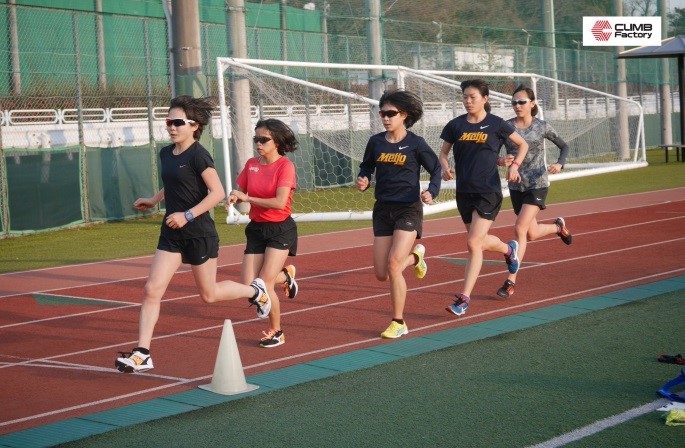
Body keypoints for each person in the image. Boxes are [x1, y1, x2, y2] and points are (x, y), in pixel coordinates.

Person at [115, 96, 272, 373]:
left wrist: (187, 215)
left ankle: (255, 291)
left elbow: (218, 193)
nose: (171, 127)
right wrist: (154, 200)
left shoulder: (199, 155)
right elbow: (174, 185)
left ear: (194, 126)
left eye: (177, 122)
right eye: (168, 122)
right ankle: (142, 353)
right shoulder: (166, 153)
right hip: (172, 232)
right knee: (152, 289)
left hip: (198, 232)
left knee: (208, 295)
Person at [439, 79, 528, 316]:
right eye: (465, 97)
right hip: (464, 192)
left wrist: (515, 166)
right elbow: (443, 153)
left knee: (472, 243)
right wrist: (445, 167)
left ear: (485, 99)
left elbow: (523, 145)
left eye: (473, 97)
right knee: (478, 240)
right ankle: (509, 250)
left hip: (488, 191)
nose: (468, 101)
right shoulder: (455, 125)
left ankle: (464, 298)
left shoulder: (497, 124)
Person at [356, 90, 441, 339]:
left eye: (390, 113)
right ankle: (415, 257)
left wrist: (432, 191)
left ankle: (398, 321)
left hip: (408, 208)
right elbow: (366, 166)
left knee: (394, 266)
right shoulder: (376, 142)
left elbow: (435, 169)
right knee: (382, 273)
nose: (385, 117)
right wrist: (363, 178)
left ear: (403, 115)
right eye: (381, 113)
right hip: (383, 209)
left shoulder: (416, 143)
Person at [227, 118, 299, 348]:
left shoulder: (285, 166)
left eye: (263, 139)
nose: (258, 143)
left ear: (276, 141)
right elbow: (241, 189)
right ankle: (285, 276)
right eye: (256, 138)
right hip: (256, 228)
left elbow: (279, 203)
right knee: (250, 286)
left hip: (280, 229)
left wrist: (247, 198)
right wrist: (235, 195)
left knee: (264, 284)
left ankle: (276, 331)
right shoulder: (251, 164)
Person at [495, 85, 573, 299]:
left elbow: (564, 147)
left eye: (521, 102)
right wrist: (501, 161)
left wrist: (560, 164)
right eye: (514, 102)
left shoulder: (541, 126)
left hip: (538, 183)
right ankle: (558, 227)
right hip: (516, 185)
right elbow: (492, 153)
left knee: (519, 228)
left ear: (532, 104)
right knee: (530, 232)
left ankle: (511, 281)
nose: (517, 106)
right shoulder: (506, 127)